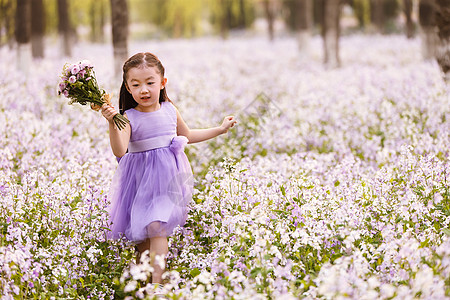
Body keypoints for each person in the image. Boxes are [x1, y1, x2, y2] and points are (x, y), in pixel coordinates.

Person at [101, 52, 236, 284]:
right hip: (139, 182)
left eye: (150, 83)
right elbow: (119, 150)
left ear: (163, 83)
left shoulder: (170, 110)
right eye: (136, 84)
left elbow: (188, 135)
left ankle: (158, 285)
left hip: (168, 179)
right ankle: (143, 285)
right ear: (128, 87)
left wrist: (219, 129)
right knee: (142, 240)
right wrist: (113, 122)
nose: (144, 90)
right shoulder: (127, 116)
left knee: (156, 226)